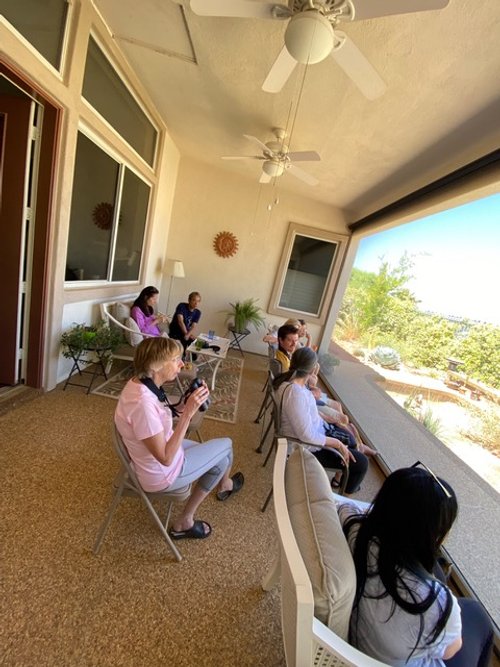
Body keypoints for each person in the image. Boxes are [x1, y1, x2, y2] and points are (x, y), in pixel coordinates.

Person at [337, 464, 494, 667]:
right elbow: (450, 651)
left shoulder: (355, 531)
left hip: (370, 641)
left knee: (438, 570)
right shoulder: (436, 603)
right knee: (478, 615)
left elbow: (350, 508)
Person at [114, 337, 244, 540]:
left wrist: (182, 405)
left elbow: (158, 419)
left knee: (222, 459)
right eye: (175, 359)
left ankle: (217, 491)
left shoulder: (142, 384)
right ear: (156, 365)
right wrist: (187, 414)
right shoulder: (142, 404)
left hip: (159, 453)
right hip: (161, 473)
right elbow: (165, 457)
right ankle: (187, 519)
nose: (182, 364)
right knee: (227, 445)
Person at [273, 347, 368, 494]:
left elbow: (304, 414)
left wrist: (325, 418)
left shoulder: (292, 383)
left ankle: (339, 479)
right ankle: (347, 490)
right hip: (305, 446)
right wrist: (337, 443)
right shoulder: (295, 394)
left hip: (316, 432)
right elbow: (306, 436)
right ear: (312, 369)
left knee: (351, 439)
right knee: (361, 463)